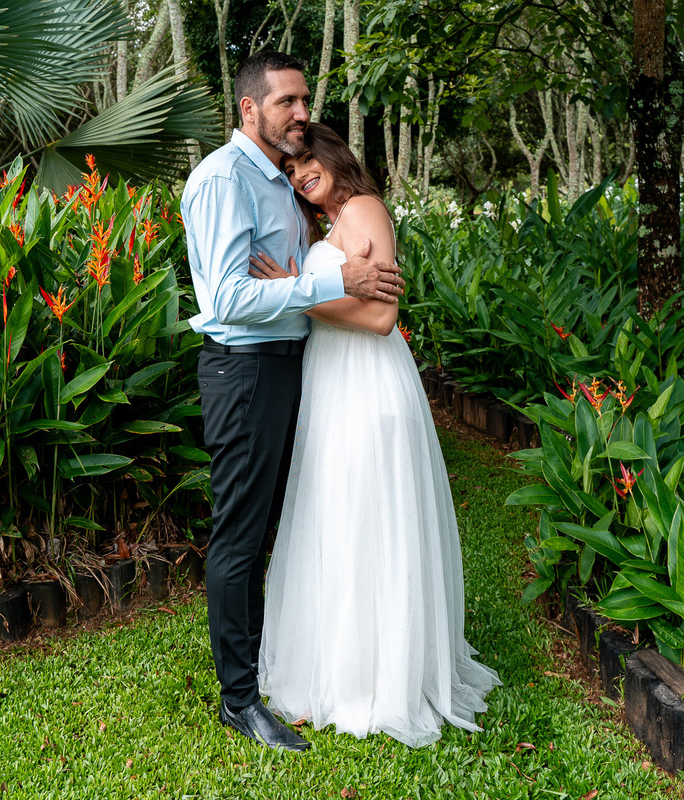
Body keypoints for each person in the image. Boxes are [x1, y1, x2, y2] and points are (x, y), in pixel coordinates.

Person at [249, 123, 502, 748]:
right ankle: (338, 663)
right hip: (332, 383)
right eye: (290, 167)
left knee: (369, 515)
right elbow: (347, 297)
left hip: (368, 384)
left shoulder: (363, 208)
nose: (300, 172)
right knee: (335, 516)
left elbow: (383, 317)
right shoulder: (327, 224)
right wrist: (305, 291)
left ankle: (380, 676)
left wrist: (295, 294)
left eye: (308, 158)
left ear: (333, 153)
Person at [180, 52, 404, 752]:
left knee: (269, 528)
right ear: (249, 109)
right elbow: (226, 299)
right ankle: (239, 699)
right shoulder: (222, 179)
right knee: (241, 536)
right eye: (287, 102)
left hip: (285, 367)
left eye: (305, 100)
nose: (302, 113)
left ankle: (267, 669)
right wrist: (324, 284)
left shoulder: (276, 179)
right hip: (243, 371)